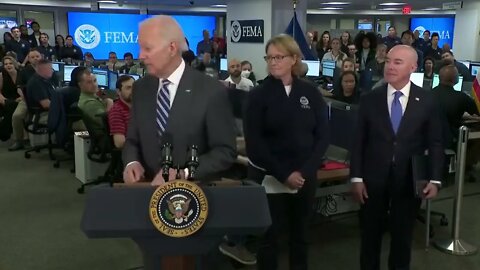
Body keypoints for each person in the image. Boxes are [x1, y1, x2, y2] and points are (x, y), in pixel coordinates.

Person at [350, 45, 444, 270]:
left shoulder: (427, 101)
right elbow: (358, 142)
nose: (389, 66)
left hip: (409, 180)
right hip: (373, 179)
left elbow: (436, 143)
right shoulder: (370, 99)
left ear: (413, 67)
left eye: (397, 62)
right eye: (388, 60)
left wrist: (436, 178)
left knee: (402, 239)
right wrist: (356, 178)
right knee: (370, 237)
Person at [244, 34, 329, 270]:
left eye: (278, 57)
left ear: (293, 59)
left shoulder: (310, 93)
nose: (273, 62)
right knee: (269, 239)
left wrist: (304, 172)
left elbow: (322, 136)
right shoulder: (258, 95)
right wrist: (284, 175)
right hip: (270, 176)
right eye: (269, 57)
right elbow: (255, 143)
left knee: (300, 236)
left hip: (304, 178)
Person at [123, 15, 236, 184]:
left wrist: (183, 173)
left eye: (147, 48)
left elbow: (225, 152)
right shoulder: (141, 88)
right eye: (141, 48)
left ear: (172, 48)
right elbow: (132, 139)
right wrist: (132, 162)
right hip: (147, 192)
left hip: (195, 196)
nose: (141, 55)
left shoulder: (211, 91)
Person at [77, 69, 113, 137]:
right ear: (80, 85)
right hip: (106, 136)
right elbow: (108, 122)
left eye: (95, 81)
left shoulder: (91, 96)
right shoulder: (89, 103)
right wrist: (110, 102)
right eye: (89, 82)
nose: (94, 85)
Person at [108, 75, 134, 149]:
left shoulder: (138, 107)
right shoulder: (117, 111)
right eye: (128, 88)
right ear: (118, 91)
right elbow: (119, 143)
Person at [0, 56, 20, 141]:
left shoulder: (21, 74)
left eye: (10, 63)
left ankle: (3, 132)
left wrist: (20, 98)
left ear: (14, 64)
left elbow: (24, 91)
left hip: (18, 100)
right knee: (10, 105)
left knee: (12, 106)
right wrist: (2, 99)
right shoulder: (1, 75)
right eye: (6, 64)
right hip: (4, 99)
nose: (8, 65)